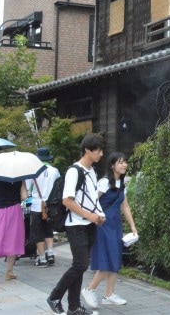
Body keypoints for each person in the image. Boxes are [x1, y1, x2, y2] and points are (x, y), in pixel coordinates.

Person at [46, 134, 105, 315]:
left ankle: (74, 307)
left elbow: (91, 198)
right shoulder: (74, 171)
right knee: (81, 265)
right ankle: (55, 296)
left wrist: (99, 215)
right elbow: (67, 200)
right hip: (76, 225)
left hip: (89, 224)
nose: (101, 154)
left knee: (80, 265)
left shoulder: (92, 171)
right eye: (98, 150)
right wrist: (89, 215)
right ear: (87, 149)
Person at [81, 151, 137, 308]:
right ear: (112, 165)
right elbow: (92, 201)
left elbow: (125, 206)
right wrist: (94, 218)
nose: (124, 165)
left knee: (115, 259)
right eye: (121, 162)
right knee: (108, 260)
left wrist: (132, 226)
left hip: (115, 226)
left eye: (125, 162)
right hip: (103, 225)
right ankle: (89, 289)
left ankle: (109, 294)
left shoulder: (121, 184)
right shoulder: (104, 182)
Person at [29, 147, 61, 267]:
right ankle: (50, 253)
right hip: (51, 206)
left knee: (38, 232)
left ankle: (42, 258)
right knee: (48, 229)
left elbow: (28, 189)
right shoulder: (55, 171)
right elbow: (58, 187)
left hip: (37, 205)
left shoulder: (33, 171)